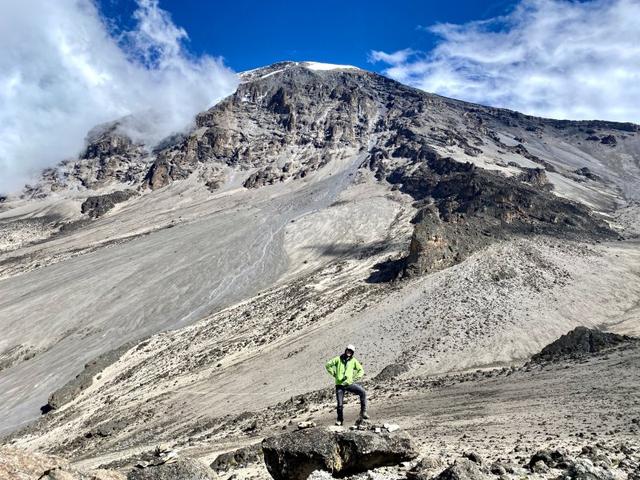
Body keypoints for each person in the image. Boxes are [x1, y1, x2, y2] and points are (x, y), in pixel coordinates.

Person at [325, 344, 368, 426]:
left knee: (363, 392)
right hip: (339, 385)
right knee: (340, 404)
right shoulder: (338, 359)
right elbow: (328, 365)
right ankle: (339, 420)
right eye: (348, 350)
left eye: (351, 351)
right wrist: (334, 373)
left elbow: (361, 371)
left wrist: (353, 379)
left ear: (352, 353)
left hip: (349, 384)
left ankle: (363, 412)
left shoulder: (353, 361)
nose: (349, 352)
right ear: (346, 350)